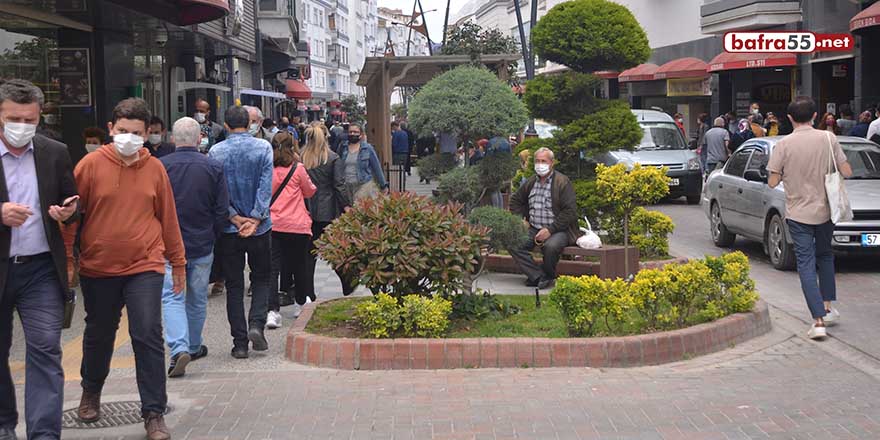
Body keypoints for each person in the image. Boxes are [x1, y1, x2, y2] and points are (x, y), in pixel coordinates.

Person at [72, 97, 184, 440]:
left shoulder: (155, 169)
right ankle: (91, 391)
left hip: (145, 264)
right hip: (99, 266)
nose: (129, 139)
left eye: (137, 133)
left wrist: (178, 263)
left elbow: (168, 218)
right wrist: (67, 261)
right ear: (111, 129)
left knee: (147, 332)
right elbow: (70, 216)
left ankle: (153, 412)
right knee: (99, 333)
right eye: (123, 131)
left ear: (147, 133)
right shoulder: (89, 166)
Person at [0, 79, 79, 440]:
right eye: (14, 118)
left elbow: (72, 200)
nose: (22, 127)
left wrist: (68, 212)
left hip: (40, 270)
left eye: (29, 120)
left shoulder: (54, 151)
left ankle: (44, 434)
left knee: (45, 347)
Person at [767, 96, 852, 340]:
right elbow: (846, 171)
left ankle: (818, 321)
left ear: (790, 118)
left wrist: (787, 174)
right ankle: (827, 307)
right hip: (826, 211)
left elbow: (773, 182)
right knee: (825, 256)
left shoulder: (783, 145)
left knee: (805, 263)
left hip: (798, 214)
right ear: (815, 116)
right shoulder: (828, 138)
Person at [159, 117, 229, 378]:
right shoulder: (213, 167)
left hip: (167, 245)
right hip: (202, 243)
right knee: (197, 297)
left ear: (172, 139)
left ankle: (178, 348)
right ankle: (194, 345)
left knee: (172, 296)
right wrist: (213, 233)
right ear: (200, 138)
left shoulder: (159, 167)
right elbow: (222, 209)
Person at [208, 105, 274, 359]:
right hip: (260, 228)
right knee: (261, 278)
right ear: (250, 124)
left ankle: (239, 343)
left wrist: (235, 218)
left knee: (234, 285)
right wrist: (256, 219)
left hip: (229, 228)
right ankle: (256, 324)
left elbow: (217, 193)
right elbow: (264, 187)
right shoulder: (263, 148)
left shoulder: (216, 151)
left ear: (225, 125)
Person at [507, 147, 579, 290]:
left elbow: (569, 212)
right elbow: (515, 201)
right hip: (534, 227)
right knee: (513, 242)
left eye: (543, 161)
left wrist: (550, 230)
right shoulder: (531, 182)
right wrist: (521, 220)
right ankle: (539, 276)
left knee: (550, 247)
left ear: (551, 163)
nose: (540, 164)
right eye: (537, 161)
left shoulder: (562, 182)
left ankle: (547, 275)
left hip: (559, 230)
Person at [268, 133, 316, 327]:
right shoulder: (298, 169)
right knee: (299, 265)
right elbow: (310, 190)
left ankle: (272, 311)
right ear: (292, 146)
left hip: (273, 224)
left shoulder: (268, 168)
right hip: (297, 225)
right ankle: (300, 303)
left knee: (272, 269)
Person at [301, 124, 353, 301]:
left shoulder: (302, 157)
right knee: (333, 249)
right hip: (328, 209)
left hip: (306, 208)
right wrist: (347, 206)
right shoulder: (332, 158)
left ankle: (308, 291)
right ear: (327, 138)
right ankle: (347, 282)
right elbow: (339, 185)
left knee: (308, 254)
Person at [340, 124, 387, 203]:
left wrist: (383, 185)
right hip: (346, 185)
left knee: (358, 208)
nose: (352, 134)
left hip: (363, 184)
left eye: (355, 132)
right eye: (350, 132)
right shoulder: (343, 147)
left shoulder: (368, 148)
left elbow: (377, 167)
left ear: (361, 134)